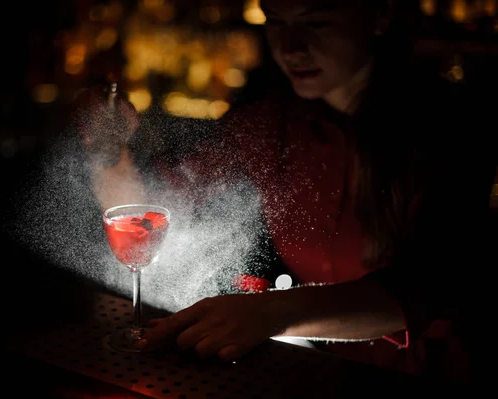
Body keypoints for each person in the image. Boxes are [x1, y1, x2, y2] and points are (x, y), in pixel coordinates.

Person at [74, 0, 496, 381]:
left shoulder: (450, 127)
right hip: (322, 373)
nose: (290, 47)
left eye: (317, 21)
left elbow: (424, 287)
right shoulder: (269, 124)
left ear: (380, 15)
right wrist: (108, 150)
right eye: (275, 22)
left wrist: (272, 313)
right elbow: (145, 211)